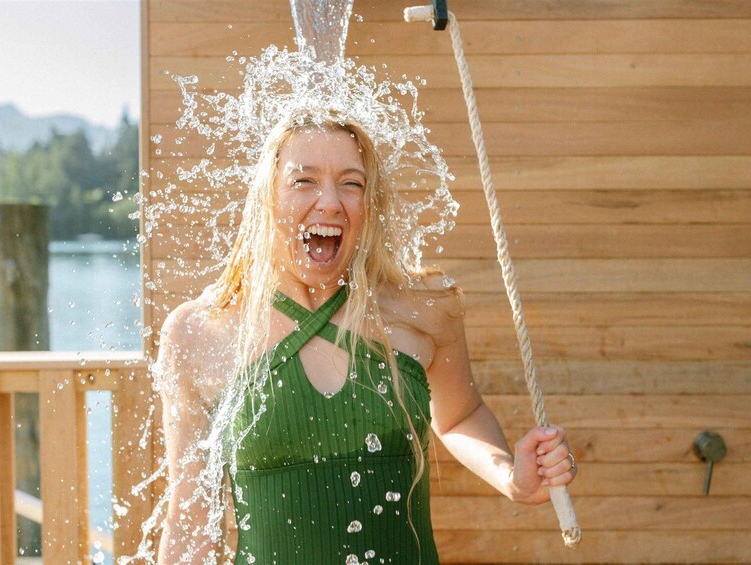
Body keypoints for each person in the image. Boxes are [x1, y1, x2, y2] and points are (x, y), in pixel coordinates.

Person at [154, 110, 577, 565]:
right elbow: (191, 521)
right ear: (267, 198)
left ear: (370, 204)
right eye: (303, 181)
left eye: (351, 184)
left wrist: (512, 478)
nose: (330, 202)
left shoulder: (424, 309)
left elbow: (459, 416)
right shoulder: (199, 332)